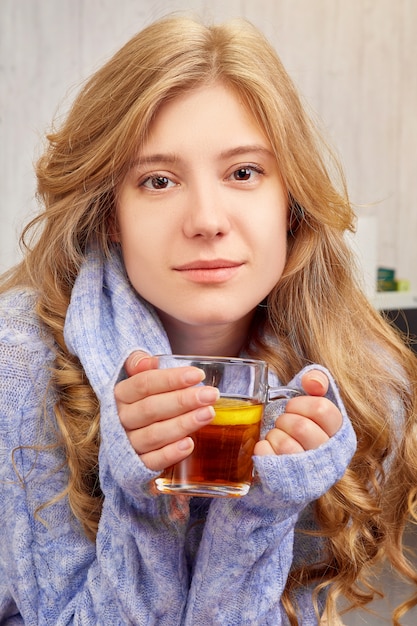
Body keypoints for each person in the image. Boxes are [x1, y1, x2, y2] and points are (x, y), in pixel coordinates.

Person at [0, 14, 416, 626]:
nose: (206, 219)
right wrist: (139, 498)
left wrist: (259, 514)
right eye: (159, 180)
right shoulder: (19, 364)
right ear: (111, 214)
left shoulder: (359, 384)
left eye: (244, 173)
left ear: (290, 201)